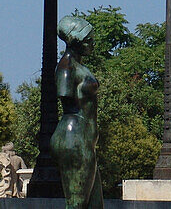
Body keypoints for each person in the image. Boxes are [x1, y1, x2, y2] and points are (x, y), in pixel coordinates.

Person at [50, 15, 103, 209]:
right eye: (88, 40)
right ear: (74, 42)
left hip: (84, 138)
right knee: (77, 203)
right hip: (73, 137)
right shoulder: (66, 68)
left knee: (95, 204)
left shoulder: (79, 67)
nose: (92, 44)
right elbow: (65, 96)